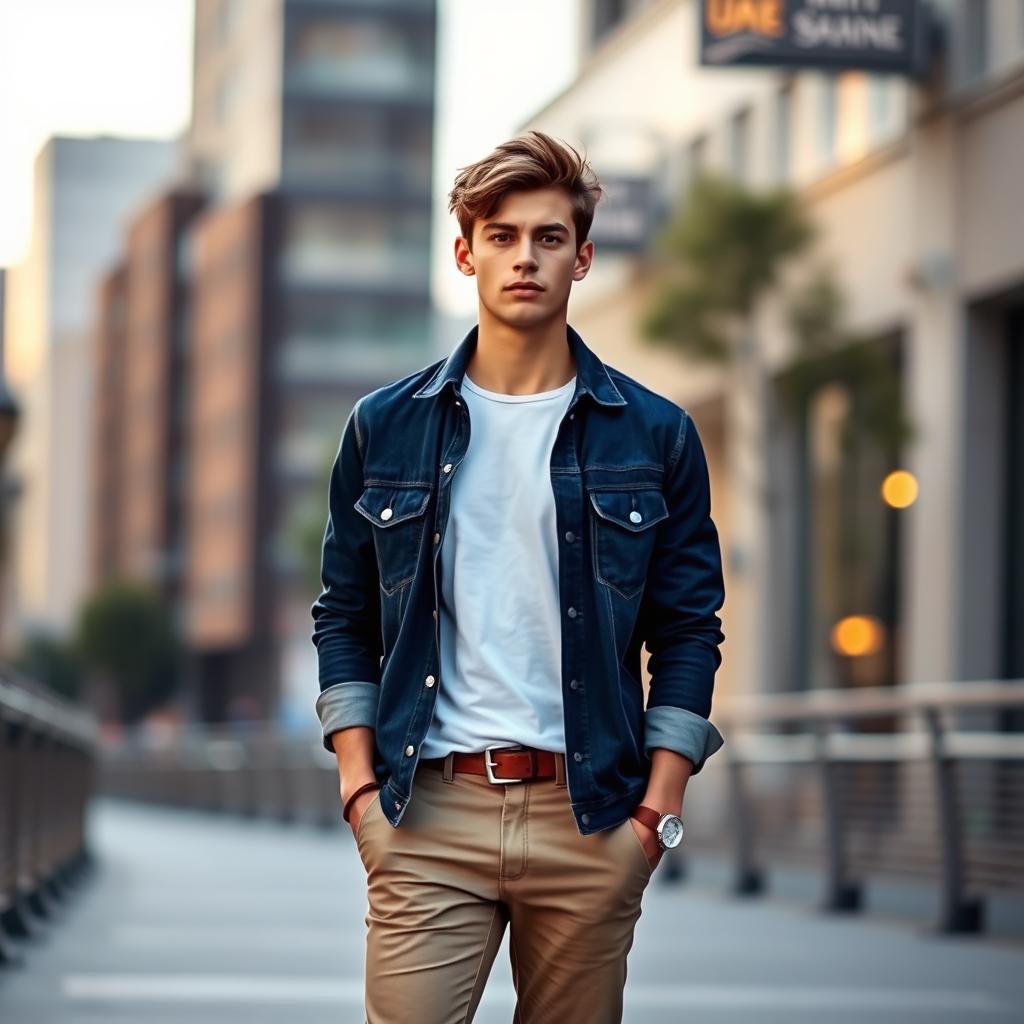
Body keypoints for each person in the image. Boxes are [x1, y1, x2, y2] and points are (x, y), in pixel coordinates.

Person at [311, 130, 727, 1023]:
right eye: (501, 236)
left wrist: (655, 815)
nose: (524, 257)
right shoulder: (384, 428)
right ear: (465, 252)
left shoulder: (655, 436)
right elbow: (343, 615)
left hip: (592, 815)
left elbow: (688, 630)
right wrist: (358, 789)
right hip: (428, 815)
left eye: (548, 237)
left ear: (582, 257)